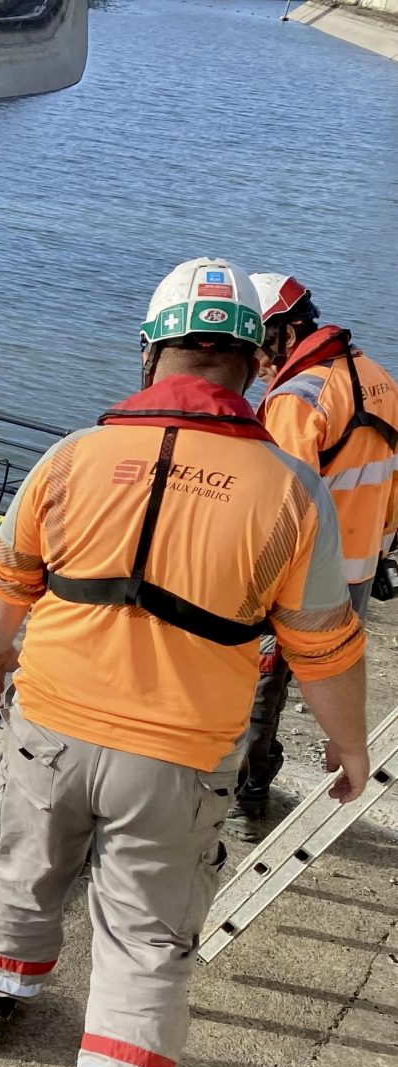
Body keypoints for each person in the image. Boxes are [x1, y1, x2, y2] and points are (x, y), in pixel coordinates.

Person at [0, 259, 369, 1067]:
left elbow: (7, 572)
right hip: (180, 754)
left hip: (51, 724)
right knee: (148, 929)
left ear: (149, 354)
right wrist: (350, 744)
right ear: (257, 367)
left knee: (24, 865)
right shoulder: (289, 491)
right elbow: (324, 644)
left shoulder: (72, 456)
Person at [229, 273, 398, 839]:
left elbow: (279, 502)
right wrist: (382, 547)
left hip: (302, 573)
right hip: (359, 566)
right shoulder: (376, 377)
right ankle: (292, 762)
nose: (253, 359)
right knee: (328, 664)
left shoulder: (296, 400)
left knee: (262, 676)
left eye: (258, 342)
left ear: (288, 330)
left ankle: (245, 795)